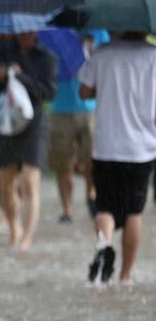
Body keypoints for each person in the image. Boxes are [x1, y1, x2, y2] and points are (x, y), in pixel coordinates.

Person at [79, 32, 156, 284]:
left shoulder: (102, 54)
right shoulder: (153, 56)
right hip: (141, 148)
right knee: (134, 211)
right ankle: (125, 275)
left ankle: (104, 246)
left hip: (106, 146)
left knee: (105, 206)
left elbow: (84, 92)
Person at [0, 33, 57, 250]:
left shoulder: (46, 57)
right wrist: (0, 75)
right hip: (7, 122)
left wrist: (21, 77)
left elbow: (49, 92)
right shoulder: (2, 52)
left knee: (29, 183)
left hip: (34, 125)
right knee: (5, 185)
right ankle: (14, 228)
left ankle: (27, 236)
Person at [47, 30, 108, 223]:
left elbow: (105, 66)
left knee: (93, 159)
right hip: (59, 107)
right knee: (63, 163)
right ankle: (67, 209)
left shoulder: (98, 32)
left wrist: (89, 49)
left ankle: (91, 195)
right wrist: (70, 50)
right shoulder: (53, 32)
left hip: (90, 108)